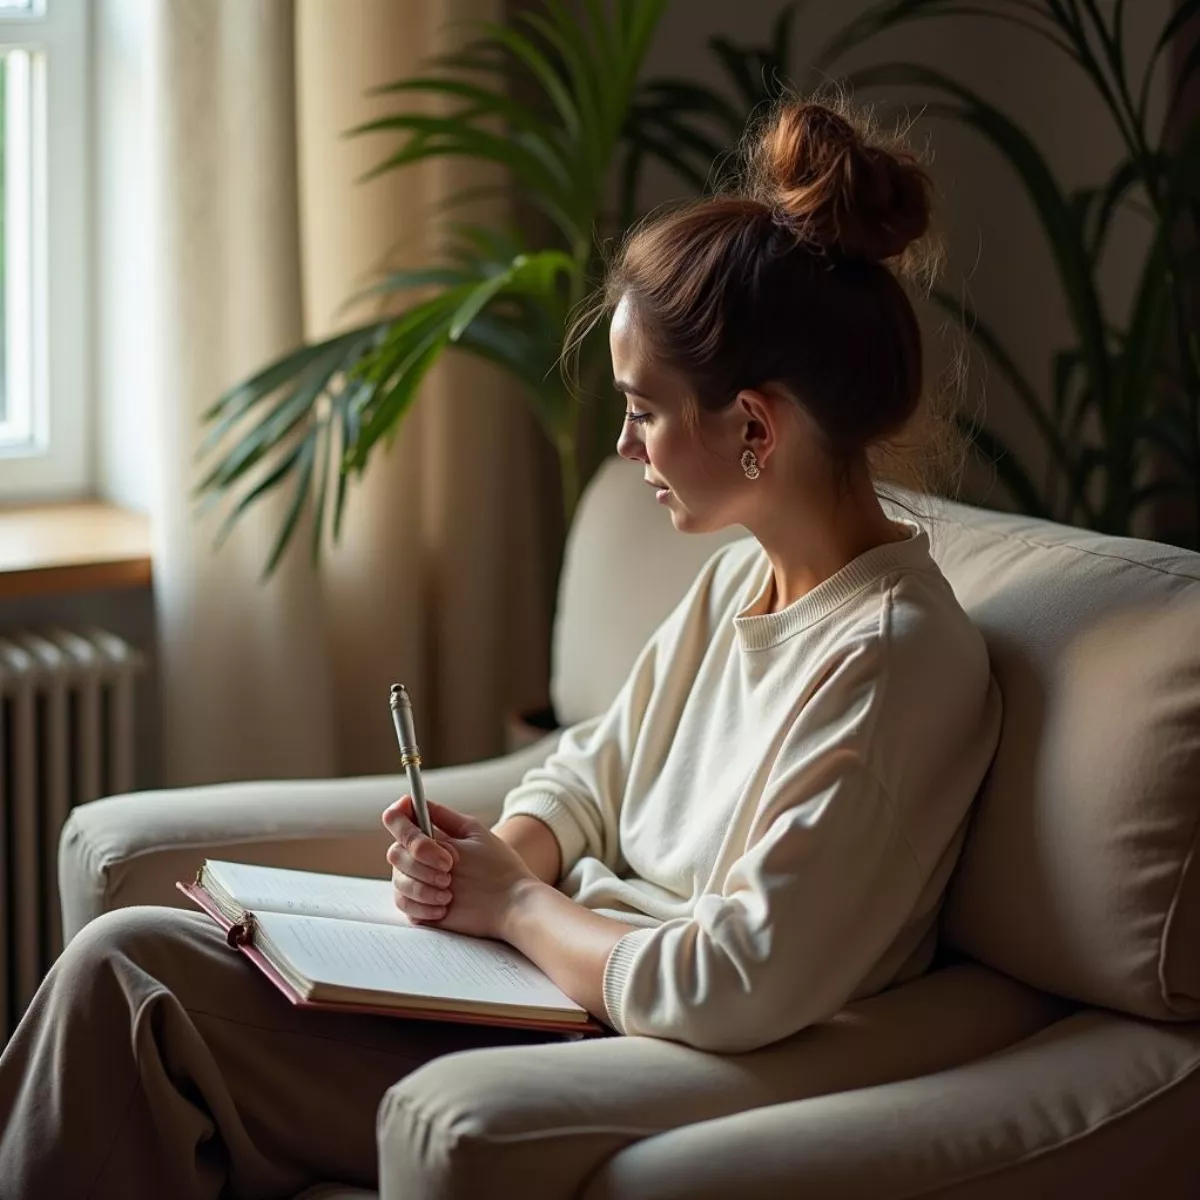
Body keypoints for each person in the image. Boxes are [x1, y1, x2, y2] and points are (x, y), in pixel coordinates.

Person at [0, 97, 1001, 1198]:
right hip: (539, 989)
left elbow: (734, 978)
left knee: (129, 988)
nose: (624, 446)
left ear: (754, 429)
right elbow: (592, 768)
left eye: (644, 411)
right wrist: (505, 850)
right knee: (127, 956)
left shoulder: (891, 663)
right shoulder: (739, 585)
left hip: (607, 1048)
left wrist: (517, 907)